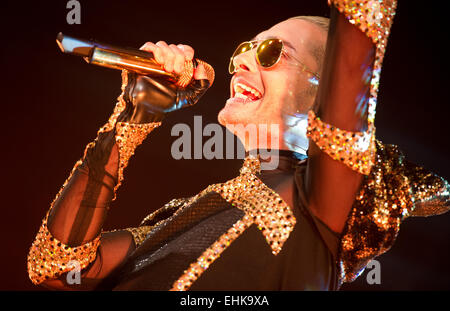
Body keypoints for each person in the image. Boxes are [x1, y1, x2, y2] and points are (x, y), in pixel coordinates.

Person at [27, 0, 449, 290]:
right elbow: (56, 269)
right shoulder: (185, 215)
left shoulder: (322, 199)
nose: (241, 61)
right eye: (243, 50)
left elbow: (359, 36)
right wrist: (133, 117)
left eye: (270, 53)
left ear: (325, 97)